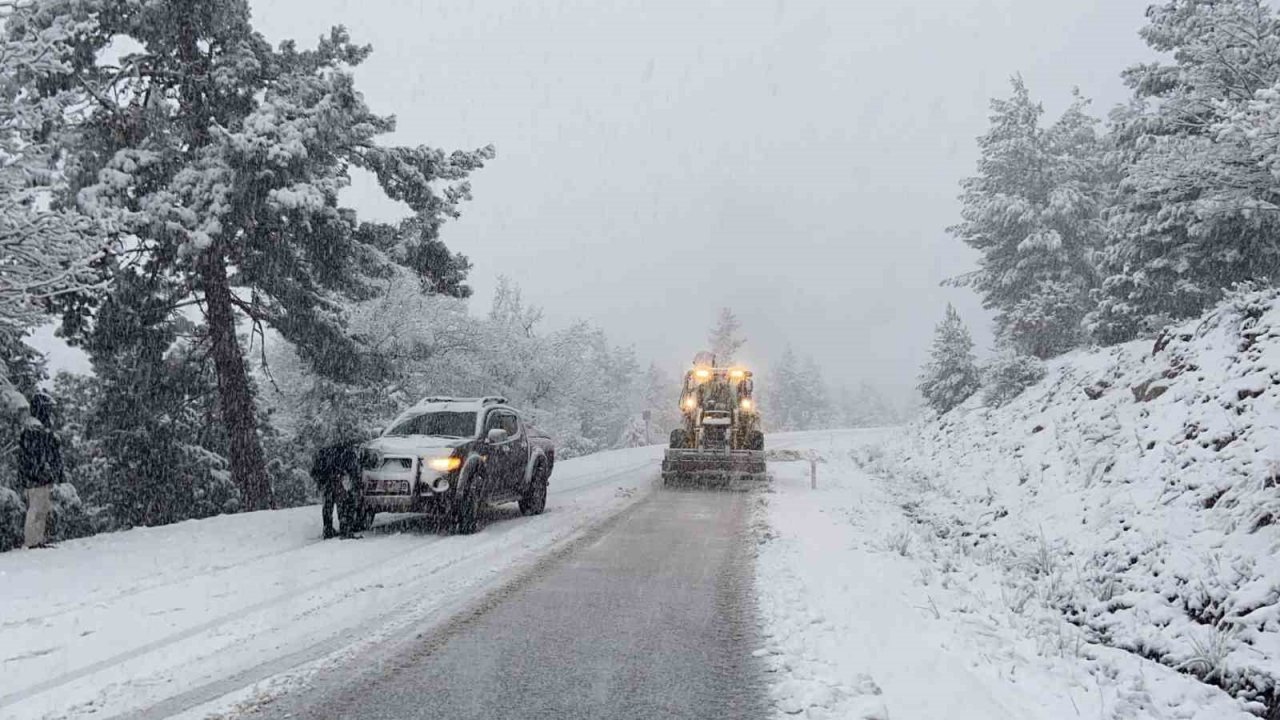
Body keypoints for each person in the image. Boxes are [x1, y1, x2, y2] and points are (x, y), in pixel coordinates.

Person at [19, 392, 64, 549]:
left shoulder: (38, 428)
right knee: (36, 509)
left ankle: (38, 539)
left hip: (40, 476)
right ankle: (31, 541)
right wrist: (41, 468)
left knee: (42, 509)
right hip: (35, 477)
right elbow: (34, 454)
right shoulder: (33, 429)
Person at [310, 437, 363, 539]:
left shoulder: (327, 451)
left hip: (325, 479)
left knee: (328, 505)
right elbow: (354, 471)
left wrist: (322, 481)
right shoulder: (348, 453)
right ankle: (345, 530)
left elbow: (315, 471)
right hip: (336, 479)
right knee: (344, 503)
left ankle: (327, 529)